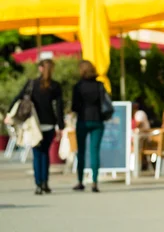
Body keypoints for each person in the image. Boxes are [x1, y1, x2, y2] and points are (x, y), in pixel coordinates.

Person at [8, 59, 64, 195]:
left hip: (34, 124)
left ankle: (38, 184)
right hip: (49, 123)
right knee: (45, 153)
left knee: (37, 154)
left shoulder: (32, 84)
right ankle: (45, 182)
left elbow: (18, 98)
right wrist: (60, 125)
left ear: (40, 68)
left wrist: (10, 113)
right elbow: (59, 108)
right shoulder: (55, 86)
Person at [71, 60, 105, 193]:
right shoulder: (99, 85)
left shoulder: (78, 87)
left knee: (81, 152)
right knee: (94, 152)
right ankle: (95, 182)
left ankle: (80, 181)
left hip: (83, 121)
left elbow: (74, 106)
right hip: (98, 120)